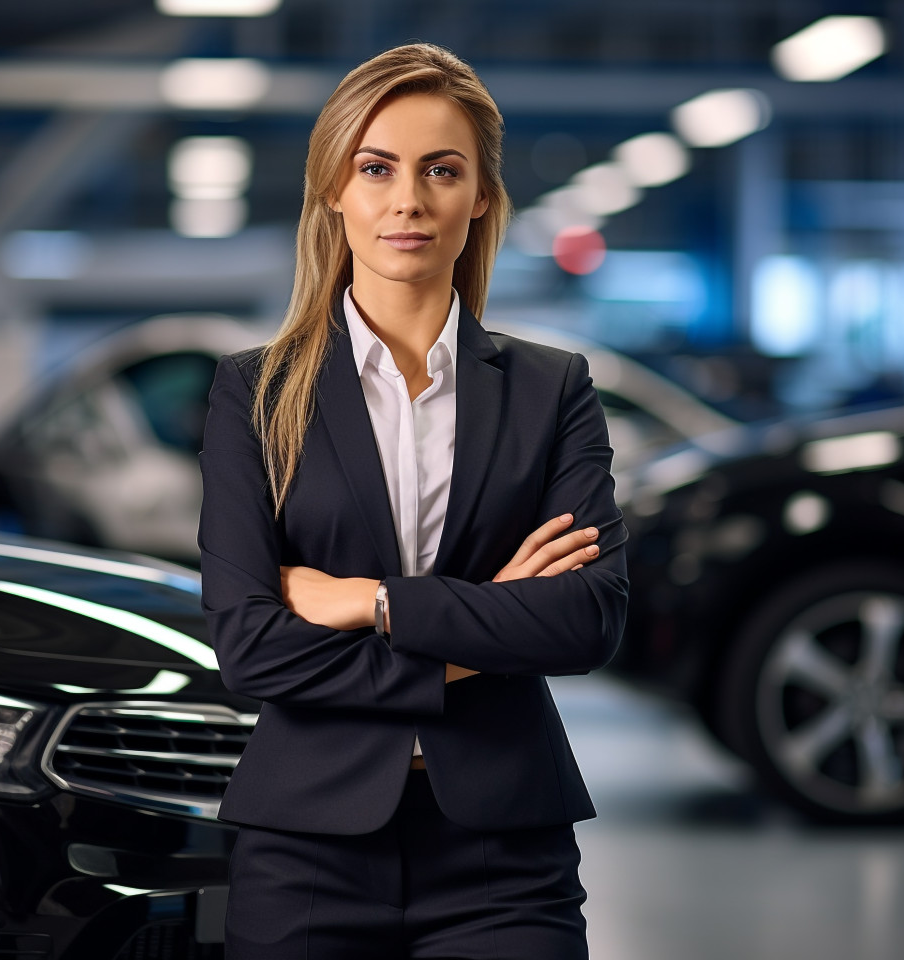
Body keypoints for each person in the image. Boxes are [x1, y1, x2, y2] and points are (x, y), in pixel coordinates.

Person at [199, 42, 628, 960]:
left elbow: (586, 619)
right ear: (334, 191)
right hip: (307, 845)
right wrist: (484, 631)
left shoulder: (551, 389)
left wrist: (372, 602)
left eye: (442, 170)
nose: (408, 199)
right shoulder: (256, 393)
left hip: (505, 852)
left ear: (480, 198)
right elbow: (250, 647)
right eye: (376, 167)